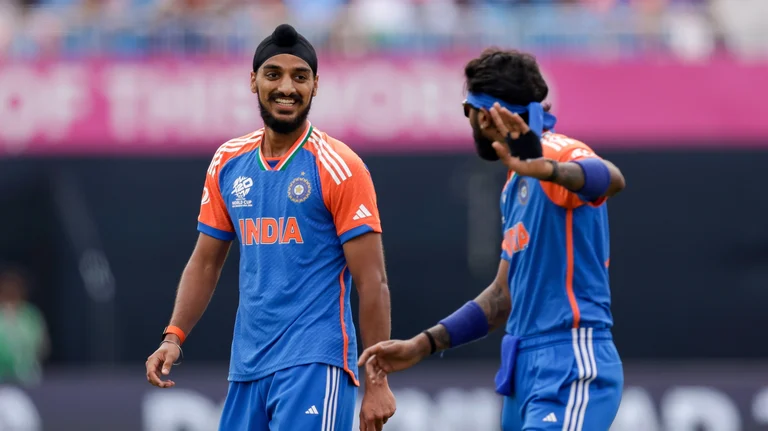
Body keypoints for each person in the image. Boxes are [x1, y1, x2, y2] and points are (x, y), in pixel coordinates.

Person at [358, 48, 627, 431]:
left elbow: (612, 178)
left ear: (483, 115)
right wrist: (421, 345)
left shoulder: (557, 153)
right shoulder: (514, 184)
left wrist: (548, 169)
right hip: (525, 367)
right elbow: (503, 297)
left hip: (569, 360)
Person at [145, 24, 396, 431]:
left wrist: (377, 381)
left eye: (300, 77)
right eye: (273, 74)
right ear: (253, 81)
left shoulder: (339, 165)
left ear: (316, 86)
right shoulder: (228, 161)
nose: (286, 87)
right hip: (247, 369)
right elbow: (206, 263)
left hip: (317, 362)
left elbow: (373, 282)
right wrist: (173, 336)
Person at [0, 266, 49, 386]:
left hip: (28, 378)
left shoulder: (31, 315)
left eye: (14, 289)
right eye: (6, 289)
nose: (10, 292)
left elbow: (43, 345)